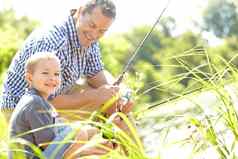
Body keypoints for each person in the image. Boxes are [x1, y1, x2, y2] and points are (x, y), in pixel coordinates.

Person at [0, 0, 132, 120]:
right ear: (80, 12)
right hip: (22, 109)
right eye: (92, 25)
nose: (94, 35)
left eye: (102, 31)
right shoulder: (53, 42)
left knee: (108, 99)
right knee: (93, 105)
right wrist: (94, 96)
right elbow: (42, 100)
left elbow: (97, 74)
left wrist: (118, 94)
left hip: (53, 96)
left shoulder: (89, 39)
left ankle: (113, 139)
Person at [9, 52, 114, 159]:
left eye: (56, 74)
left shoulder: (39, 101)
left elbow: (59, 133)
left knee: (84, 130)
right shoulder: (35, 102)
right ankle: (84, 150)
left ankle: (92, 146)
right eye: (45, 73)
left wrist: (94, 136)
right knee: (78, 130)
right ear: (30, 78)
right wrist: (81, 143)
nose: (52, 78)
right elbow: (47, 144)